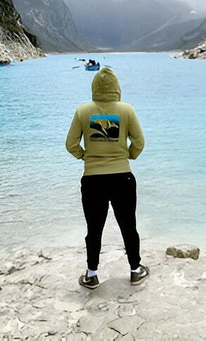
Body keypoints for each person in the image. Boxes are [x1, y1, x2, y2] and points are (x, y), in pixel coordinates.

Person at [66, 68, 148, 289]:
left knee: (94, 229)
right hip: (123, 178)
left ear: (95, 88)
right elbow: (139, 142)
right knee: (128, 226)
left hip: (92, 180)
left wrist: (85, 157)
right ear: (116, 88)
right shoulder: (126, 110)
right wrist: (128, 155)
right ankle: (135, 270)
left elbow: (70, 144)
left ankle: (92, 274)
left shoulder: (83, 111)